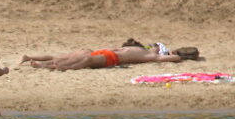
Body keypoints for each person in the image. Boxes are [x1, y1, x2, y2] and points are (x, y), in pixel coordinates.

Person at [20, 42, 200, 70]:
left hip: (109, 55)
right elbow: (164, 52)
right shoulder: (149, 52)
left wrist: (177, 55)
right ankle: (37, 61)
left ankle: (40, 62)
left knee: (82, 58)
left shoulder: (149, 55)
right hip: (109, 54)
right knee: (81, 57)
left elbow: (173, 58)